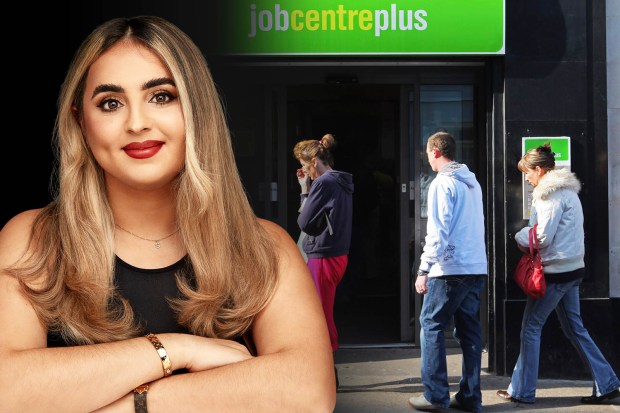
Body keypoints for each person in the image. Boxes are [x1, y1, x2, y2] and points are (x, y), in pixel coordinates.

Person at [0, 16, 336, 412]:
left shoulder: (263, 246)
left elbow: (309, 391)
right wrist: (174, 350)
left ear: (197, 109)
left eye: (161, 96)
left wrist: (132, 404)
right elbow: (8, 391)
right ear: (80, 121)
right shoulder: (32, 239)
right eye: (110, 103)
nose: (137, 123)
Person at [496, 143, 620, 405]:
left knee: (531, 328)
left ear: (539, 170)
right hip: (573, 269)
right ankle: (608, 384)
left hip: (554, 273)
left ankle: (522, 391)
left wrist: (518, 236)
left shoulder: (548, 195)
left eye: (528, 173)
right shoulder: (568, 192)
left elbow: (541, 237)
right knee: (575, 328)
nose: (527, 179)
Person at [409, 131, 488, 413]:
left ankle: (435, 396)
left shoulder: (442, 183)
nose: (427, 158)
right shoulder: (472, 182)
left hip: (449, 269)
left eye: (427, 153)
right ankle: (470, 397)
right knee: (469, 331)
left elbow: (438, 231)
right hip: (475, 266)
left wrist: (424, 269)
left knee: (430, 325)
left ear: (434, 151)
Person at [293, 133, 354, 355]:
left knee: (319, 313)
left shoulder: (323, 183)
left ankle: (325, 362)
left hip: (323, 255)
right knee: (324, 310)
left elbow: (304, 221)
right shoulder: (340, 181)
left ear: (314, 162)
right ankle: (326, 359)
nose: (306, 172)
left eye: (305, 166)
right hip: (338, 254)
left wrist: (305, 190)